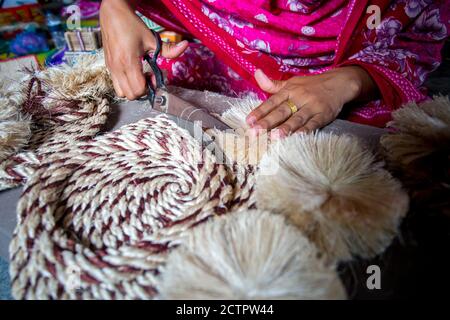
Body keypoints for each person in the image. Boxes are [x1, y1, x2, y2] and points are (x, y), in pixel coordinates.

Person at [100, 0, 449, 136]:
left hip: (340, 97)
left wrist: (349, 81)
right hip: (221, 63)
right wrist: (114, 5)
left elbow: (415, 39)